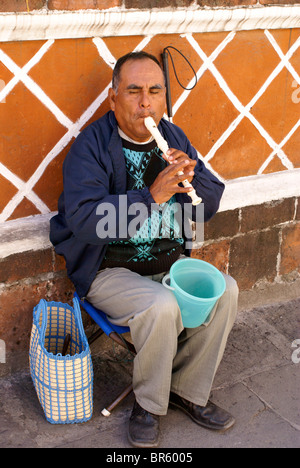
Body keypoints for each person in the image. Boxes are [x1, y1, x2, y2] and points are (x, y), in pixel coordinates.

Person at [50, 51, 239, 448]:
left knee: (226, 290)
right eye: (134, 91)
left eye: (155, 91)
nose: (145, 103)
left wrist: (194, 177)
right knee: (160, 305)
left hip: (168, 263)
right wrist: (152, 195)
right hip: (108, 270)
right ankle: (148, 404)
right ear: (113, 96)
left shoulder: (174, 137)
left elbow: (210, 207)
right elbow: (86, 224)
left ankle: (185, 391)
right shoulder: (91, 147)